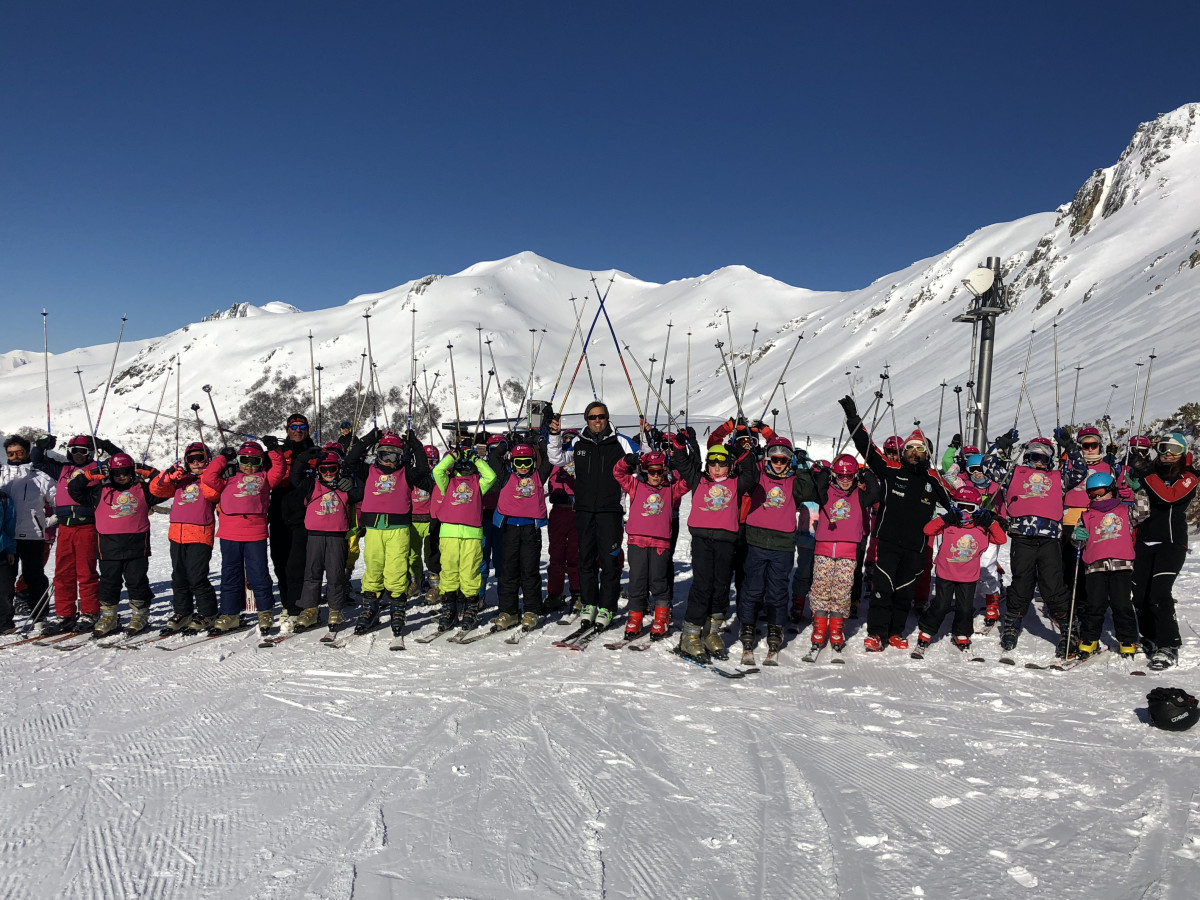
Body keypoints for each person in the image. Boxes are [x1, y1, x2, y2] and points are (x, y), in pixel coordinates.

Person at [838, 398, 952, 651]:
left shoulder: (933, 479)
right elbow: (866, 447)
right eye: (910, 448)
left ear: (926, 454)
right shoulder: (890, 469)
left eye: (919, 449)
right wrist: (853, 419)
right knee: (883, 589)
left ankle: (896, 632)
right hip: (888, 541)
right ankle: (877, 634)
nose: (914, 453)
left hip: (916, 546)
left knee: (904, 593)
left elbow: (956, 501)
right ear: (904, 451)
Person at [983, 428, 1087, 656]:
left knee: (1053, 586)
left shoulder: (1058, 478)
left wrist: (1071, 448)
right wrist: (1000, 446)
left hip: (1049, 540)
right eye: (1033, 457)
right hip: (1023, 538)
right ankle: (1011, 624)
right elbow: (987, 466)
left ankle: (1069, 629)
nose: (1038, 462)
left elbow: (1080, 471)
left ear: (1050, 460)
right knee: (1022, 583)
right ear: (1027, 457)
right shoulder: (1014, 473)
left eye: (1043, 458)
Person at [546, 401, 636, 626]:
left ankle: (607, 606)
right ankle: (589, 603)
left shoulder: (621, 441)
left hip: (611, 511)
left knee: (609, 562)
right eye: (593, 417)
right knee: (584, 560)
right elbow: (557, 458)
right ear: (586, 420)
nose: (597, 421)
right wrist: (555, 435)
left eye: (601, 416)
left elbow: (644, 458)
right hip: (584, 510)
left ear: (607, 417)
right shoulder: (578, 441)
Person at [672, 431, 758, 661]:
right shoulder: (698, 479)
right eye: (712, 462)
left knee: (720, 586)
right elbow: (681, 461)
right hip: (701, 540)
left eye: (722, 462)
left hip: (726, 541)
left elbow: (752, 471)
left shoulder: (736, 482)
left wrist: (739, 450)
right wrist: (681, 445)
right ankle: (690, 635)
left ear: (729, 465)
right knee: (702, 585)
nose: (717, 467)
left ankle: (712, 632)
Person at [31, 433, 124, 632]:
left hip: (87, 526)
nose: (78, 455)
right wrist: (41, 445)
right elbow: (37, 461)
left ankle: (90, 611)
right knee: (63, 572)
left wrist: (105, 444)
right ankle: (65, 614)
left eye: (83, 451)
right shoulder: (63, 469)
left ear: (90, 452)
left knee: (85, 571)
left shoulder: (97, 469)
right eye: (74, 451)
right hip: (65, 527)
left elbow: (120, 460)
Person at [346, 429, 433, 636]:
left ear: (400, 457)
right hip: (375, 529)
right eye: (384, 454)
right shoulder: (369, 472)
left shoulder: (405, 473)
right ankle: (370, 608)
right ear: (377, 454)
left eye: (393, 455)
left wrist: (416, 445)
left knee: (396, 570)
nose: (388, 460)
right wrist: (368, 439)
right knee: (373, 568)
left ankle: (397, 609)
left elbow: (422, 469)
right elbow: (350, 461)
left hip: (398, 529)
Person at [736, 437, 817, 661]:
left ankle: (775, 627)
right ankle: (748, 627)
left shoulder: (793, 481)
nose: (779, 463)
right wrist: (754, 454)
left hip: (782, 544)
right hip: (756, 541)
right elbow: (745, 472)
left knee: (778, 591)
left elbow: (808, 492)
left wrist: (802, 467)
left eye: (784, 459)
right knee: (752, 588)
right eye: (775, 459)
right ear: (768, 458)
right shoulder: (758, 476)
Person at [67, 453, 161, 636]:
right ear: (110, 473)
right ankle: (109, 616)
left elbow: (163, 487)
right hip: (108, 545)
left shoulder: (142, 488)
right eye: (116, 472)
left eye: (126, 472)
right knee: (109, 582)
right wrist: (89, 475)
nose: (121, 476)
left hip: (136, 544)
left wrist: (150, 472)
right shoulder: (100, 491)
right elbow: (74, 490)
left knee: (137, 581)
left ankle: (139, 614)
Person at [201, 440, 287, 635]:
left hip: (255, 532)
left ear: (260, 462)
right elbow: (208, 477)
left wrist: (274, 451)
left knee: (258, 573)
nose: (249, 465)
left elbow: (280, 468)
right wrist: (223, 458)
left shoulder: (265, 478)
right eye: (244, 460)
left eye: (254, 461)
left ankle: (265, 611)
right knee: (231, 574)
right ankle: (230, 613)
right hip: (230, 532)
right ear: (238, 460)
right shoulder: (229, 478)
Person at [1126, 432, 1197, 670]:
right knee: (1141, 595)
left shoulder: (1189, 477)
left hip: (1171, 542)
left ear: (1183, 452)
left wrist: (1146, 474)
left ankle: (1169, 644)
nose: (1168, 454)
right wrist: (1134, 478)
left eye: (1174, 450)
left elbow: (1168, 498)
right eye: (1164, 448)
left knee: (1159, 593)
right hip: (1144, 541)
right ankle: (1150, 636)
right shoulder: (1151, 473)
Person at [916, 486, 1007, 652]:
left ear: (977, 509)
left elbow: (1001, 539)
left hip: (968, 575)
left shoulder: (981, 527)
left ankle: (961, 632)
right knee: (941, 605)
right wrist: (945, 519)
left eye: (970, 508)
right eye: (960, 506)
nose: (964, 511)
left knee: (964, 608)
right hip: (946, 572)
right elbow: (927, 530)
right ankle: (927, 630)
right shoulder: (950, 523)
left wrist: (991, 522)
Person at [807, 454, 880, 655]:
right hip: (824, 548)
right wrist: (823, 474)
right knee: (821, 588)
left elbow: (876, 493)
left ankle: (837, 628)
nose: (845, 480)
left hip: (848, 551)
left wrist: (867, 474)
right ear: (834, 475)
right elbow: (815, 489)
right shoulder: (825, 493)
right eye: (841, 476)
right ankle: (820, 628)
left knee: (842, 589)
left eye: (849, 476)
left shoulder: (859, 494)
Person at [613, 449, 689, 639]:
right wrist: (627, 460)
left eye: (659, 472)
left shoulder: (671, 489)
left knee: (658, 580)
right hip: (637, 542)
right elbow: (618, 472)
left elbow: (689, 480)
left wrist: (678, 462)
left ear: (664, 471)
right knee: (637, 580)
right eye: (652, 471)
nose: (655, 476)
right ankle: (635, 616)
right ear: (645, 471)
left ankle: (662, 616)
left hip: (660, 543)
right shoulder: (635, 485)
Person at [290, 448, 365, 631]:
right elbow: (295, 477)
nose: (328, 473)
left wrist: (351, 476)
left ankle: (335, 609)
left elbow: (366, 490)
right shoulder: (311, 485)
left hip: (337, 537)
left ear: (338, 469)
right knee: (312, 573)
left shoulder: (345, 488)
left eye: (332, 469)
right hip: (315, 535)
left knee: (336, 574)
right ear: (318, 471)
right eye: (324, 470)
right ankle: (310, 609)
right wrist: (305, 457)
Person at [148, 443, 219, 634]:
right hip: (177, 535)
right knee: (179, 577)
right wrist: (169, 475)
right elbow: (156, 490)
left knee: (197, 577)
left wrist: (209, 475)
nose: (196, 463)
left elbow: (213, 494)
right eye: (191, 459)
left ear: (207, 459)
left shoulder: (211, 479)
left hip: (200, 534)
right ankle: (183, 612)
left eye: (200, 458)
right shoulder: (181, 480)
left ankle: (208, 613)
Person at [1069, 471, 1140, 659]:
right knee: (1094, 604)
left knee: (1121, 603)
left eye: (1100, 491)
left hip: (1121, 565)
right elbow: (1077, 539)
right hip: (1095, 566)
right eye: (1091, 493)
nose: (1097, 496)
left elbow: (1144, 510)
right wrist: (1077, 537)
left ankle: (1127, 639)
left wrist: (1137, 491)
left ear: (1111, 490)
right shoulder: (1087, 516)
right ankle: (1089, 638)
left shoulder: (1125, 510)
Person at [431, 442, 497, 632]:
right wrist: (454, 455)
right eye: (463, 464)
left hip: (471, 535)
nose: (465, 467)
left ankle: (470, 610)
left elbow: (491, 476)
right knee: (450, 571)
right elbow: (438, 471)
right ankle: (449, 609)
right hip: (449, 533)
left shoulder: (478, 483)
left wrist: (476, 458)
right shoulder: (448, 482)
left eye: (469, 464)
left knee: (470, 572)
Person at [492, 441, 553, 631]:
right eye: (519, 463)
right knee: (508, 571)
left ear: (533, 462)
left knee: (529, 571)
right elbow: (494, 458)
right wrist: (504, 444)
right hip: (509, 529)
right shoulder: (506, 477)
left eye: (527, 462)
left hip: (530, 531)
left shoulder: (538, 476)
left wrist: (539, 443)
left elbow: (549, 459)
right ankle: (508, 611)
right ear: (512, 463)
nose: (523, 467)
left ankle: (532, 610)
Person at [0, 435, 57, 633]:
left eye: (19, 453)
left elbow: (58, 498)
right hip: (7, 537)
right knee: (5, 581)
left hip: (32, 535)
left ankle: (40, 618)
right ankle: (5, 623)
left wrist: (51, 521)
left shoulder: (39, 476)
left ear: (26, 452)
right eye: (10, 453)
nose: (15, 457)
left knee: (34, 578)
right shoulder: (1, 474)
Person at [264, 413, 314, 617]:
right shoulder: (279, 451)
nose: (298, 430)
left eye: (302, 426)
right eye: (293, 427)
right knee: (279, 560)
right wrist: (271, 449)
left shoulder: (313, 451)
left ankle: (297, 605)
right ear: (287, 429)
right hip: (278, 509)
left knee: (298, 562)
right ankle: (287, 602)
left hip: (303, 510)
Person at [545, 434, 581, 610]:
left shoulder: (581, 458)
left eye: (571, 440)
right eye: (565, 439)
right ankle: (554, 594)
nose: (568, 443)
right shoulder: (555, 460)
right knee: (556, 555)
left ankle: (577, 593)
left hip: (577, 511)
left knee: (575, 555)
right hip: (559, 509)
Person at [408, 444, 442, 602]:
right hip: (414, 519)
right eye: (427, 460)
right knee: (413, 554)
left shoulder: (437, 477)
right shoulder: (415, 475)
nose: (430, 464)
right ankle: (416, 580)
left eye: (433, 461)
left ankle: (434, 581)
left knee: (432, 553)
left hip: (430, 519)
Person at [0, 486, 16, 634]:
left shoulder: (4, 499)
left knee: (5, 589)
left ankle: (5, 623)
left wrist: (11, 550)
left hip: (2, 549)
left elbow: (9, 525)